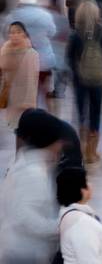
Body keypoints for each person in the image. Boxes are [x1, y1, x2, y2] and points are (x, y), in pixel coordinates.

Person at [0, 108, 63, 263]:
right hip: (24, 255)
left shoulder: (26, 163)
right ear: (49, 141)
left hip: (19, 249)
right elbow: (25, 217)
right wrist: (61, 227)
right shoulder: (32, 173)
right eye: (59, 141)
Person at [67, 0, 102, 164]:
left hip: (79, 79)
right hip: (98, 79)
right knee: (95, 112)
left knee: (81, 113)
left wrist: (76, 71)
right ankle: (91, 153)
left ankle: (81, 147)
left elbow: (69, 58)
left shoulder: (75, 34)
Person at [56, 167, 102, 263]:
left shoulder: (75, 216)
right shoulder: (81, 224)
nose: (90, 185)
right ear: (80, 190)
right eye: (87, 181)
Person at [0, 21, 40, 127]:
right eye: (12, 33)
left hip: (25, 99)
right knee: (15, 128)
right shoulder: (6, 52)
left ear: (24, 34)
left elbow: (32, 80)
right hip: (12, 98)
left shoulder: (31, 53)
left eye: (18, 32)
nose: (15, 35)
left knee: (24, 129)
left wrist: (28, 103)